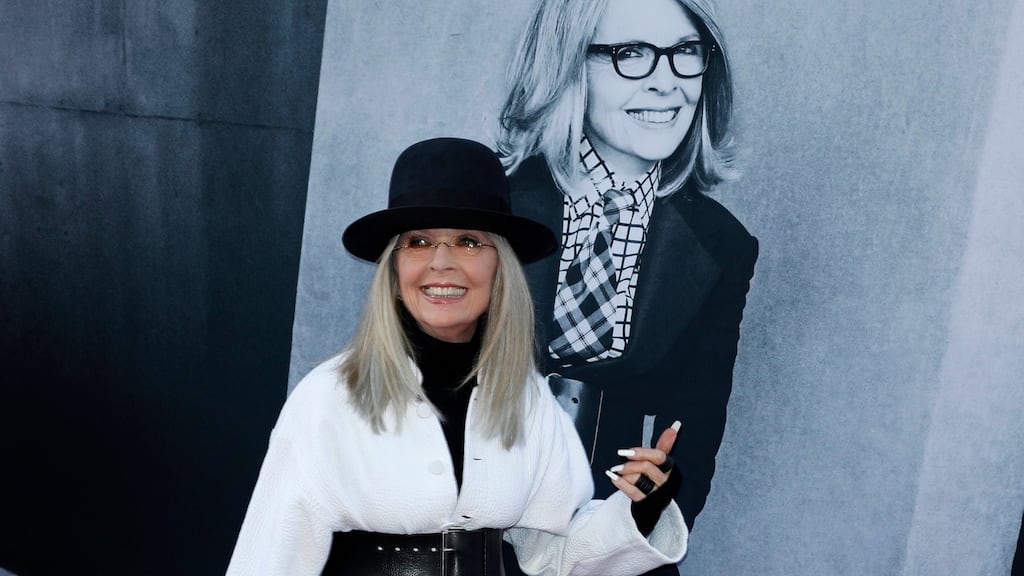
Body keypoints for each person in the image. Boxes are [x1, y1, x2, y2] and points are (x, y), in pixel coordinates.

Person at [226, 137, 690, 575]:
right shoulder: (329, 397)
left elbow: (555, 556)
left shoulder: (527, 400)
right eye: (419, 242)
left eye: (469, 241)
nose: (442, 262)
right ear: (394, 268)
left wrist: (641, 508)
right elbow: (269, 560)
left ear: (500, 267)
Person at [497, 0, 758, 572]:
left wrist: (634, 534)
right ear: (566, 66)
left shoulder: (722, 245)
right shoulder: (488, 204)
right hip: (473, 534)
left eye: (685, 53)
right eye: (631, 54)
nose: (666, 84)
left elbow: (695, 428)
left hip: (618, 545)